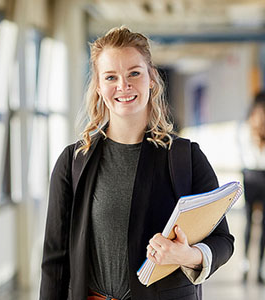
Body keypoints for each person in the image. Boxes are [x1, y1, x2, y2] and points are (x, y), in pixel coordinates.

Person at [39, 26, 234, 300]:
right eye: (111, 77)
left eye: (134, 73)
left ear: (151, 78)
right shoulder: (73, 162)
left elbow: (223, 241)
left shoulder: (185, 157)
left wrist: (187, 255)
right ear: (98, 86)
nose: (123, 86)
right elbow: (54, 263)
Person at [237, 91, 265, 284]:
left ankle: (246, 264)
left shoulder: (246, 129)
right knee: (263, 223)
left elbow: (242, 152)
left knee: (249, 221)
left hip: (251, 174)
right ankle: (260, 267)